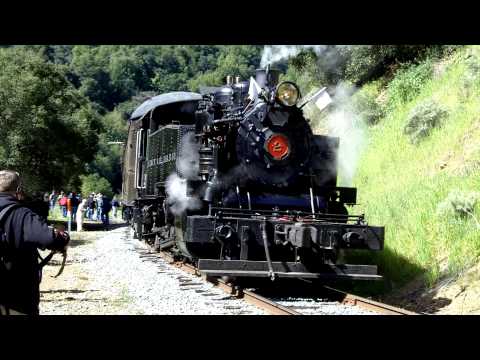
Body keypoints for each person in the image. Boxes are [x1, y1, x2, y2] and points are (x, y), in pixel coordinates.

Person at [0, 170, 69, 315]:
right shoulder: (22, 214)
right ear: (18, 190)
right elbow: (50, 239)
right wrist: (64, 237)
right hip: (17, 295)